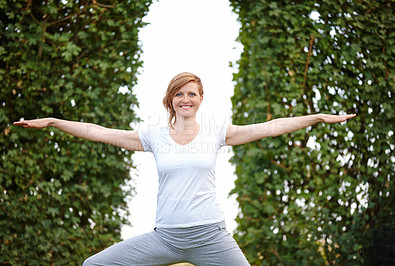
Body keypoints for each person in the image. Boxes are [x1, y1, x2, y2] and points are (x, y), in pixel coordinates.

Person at [14, 72, 356, 265]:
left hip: (210, 236)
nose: (185, 99)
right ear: (170, 99)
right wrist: (55, 122)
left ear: (201, 98)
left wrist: (316, 118)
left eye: (192, 93)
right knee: (95, 265)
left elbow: (270, 126)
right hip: (165, 237)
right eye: (179, 94)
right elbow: (100, 133)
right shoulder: (153, 135)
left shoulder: (217, 131)